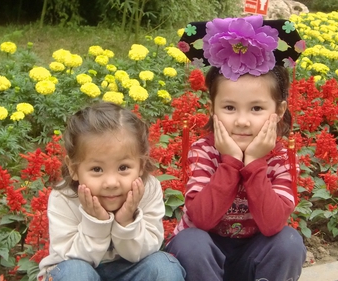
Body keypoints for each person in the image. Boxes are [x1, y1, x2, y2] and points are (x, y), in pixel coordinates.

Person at [165, 16, 307, 281]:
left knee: (288, 241)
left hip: (254, 254)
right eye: (229, 108)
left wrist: (254, 163)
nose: (242, 121)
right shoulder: (203, 151)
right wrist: (230, 162)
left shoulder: (280, 157)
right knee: (191, 242)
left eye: (256, 108)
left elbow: (272, 223)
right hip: (204, 257)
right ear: (212, 109)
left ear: (278, 111)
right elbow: (202, 219)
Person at [38, 102, 186, 281]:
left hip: (131, 270)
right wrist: (96, 223)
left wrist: (126, 221)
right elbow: (68, 257)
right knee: (77, 273)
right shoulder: (64, 198)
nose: (111, 182)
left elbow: (147, 249)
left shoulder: (147, 190)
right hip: (75, 268)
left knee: (163, 267)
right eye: (97, 169)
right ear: (73, 168)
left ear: (141, 164)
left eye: (123, 167)